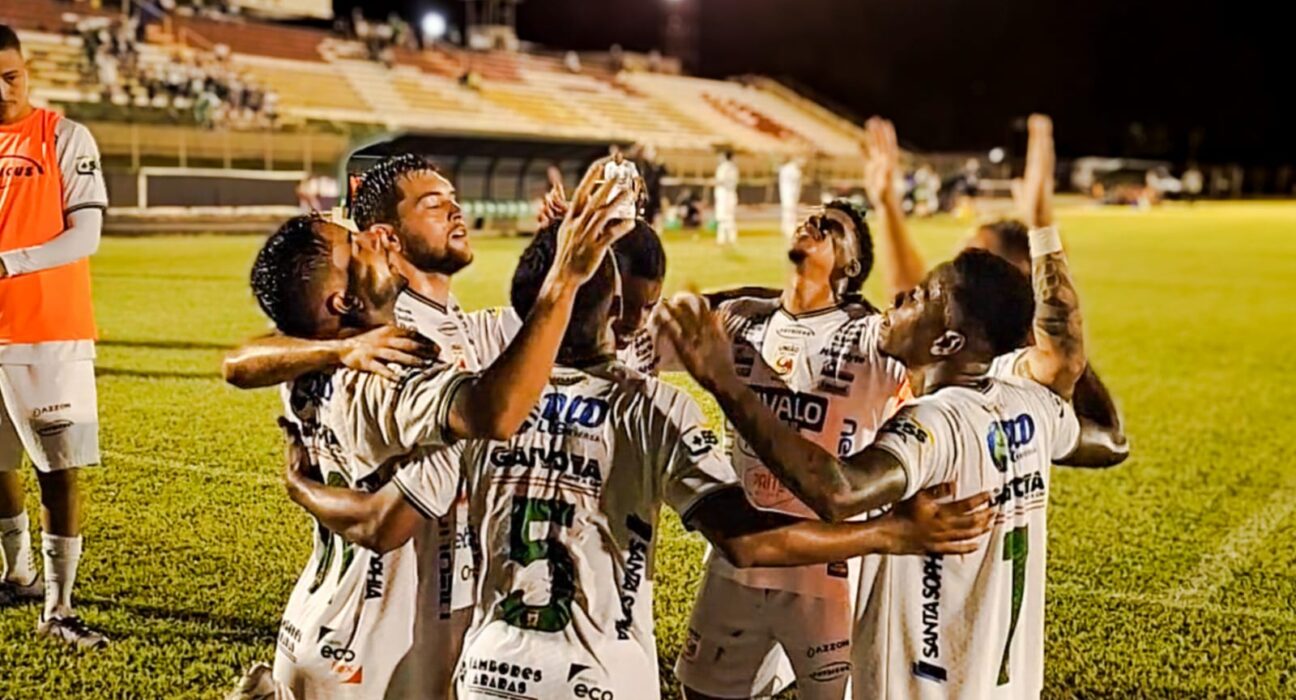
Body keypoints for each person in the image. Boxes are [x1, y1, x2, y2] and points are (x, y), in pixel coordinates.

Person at [280, 222, 996, 700]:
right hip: (602, 677)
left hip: (490, 671)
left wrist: (303, 477)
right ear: (608, 305)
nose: (634, 320)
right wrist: (891, 533)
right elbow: (750, 541)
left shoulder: (479, 399)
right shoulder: (652, 408)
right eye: (626, 303)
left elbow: (382, 519)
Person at [657, 116, 1127, 700]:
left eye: (921, 296)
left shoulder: (935, 424)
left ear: (947, 342)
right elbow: (1104, 427)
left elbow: (837, 491)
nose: (901, 297)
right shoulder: (1032, 407)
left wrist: (724, 382)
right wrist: (1041, 239)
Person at [226, 155, 628, 697]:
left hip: (334, 620)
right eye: (434, 204)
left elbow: (239, 362)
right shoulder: (394, 350)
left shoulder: (347, 340)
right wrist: (563, 277)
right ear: (388, 237)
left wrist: (562, 249)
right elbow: (489, 415)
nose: (455, 210)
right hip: (376, 653)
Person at [669, 199, 905, 700]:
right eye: (813, 215)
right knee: (702, 694)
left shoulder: (867, 337)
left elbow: (928, 355)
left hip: (829, 575)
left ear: (852, 267)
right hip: (742, 555)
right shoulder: (737, 319)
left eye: (832, 226)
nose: (814, 221)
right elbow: (638, 333)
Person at [863, 116, 1127, 455]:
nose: (954, 271)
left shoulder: (1012, 374)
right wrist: (887, 204)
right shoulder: (966, 348)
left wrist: (1041, 227)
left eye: (974, 260)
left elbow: (1099, 422)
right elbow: (916, 306)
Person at [0, 25, 110, 648]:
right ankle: (17, 573)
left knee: (58, 468)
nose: (2, 90)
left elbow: (84, 235)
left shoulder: (64, 137)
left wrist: (7, 263)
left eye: (10, 76)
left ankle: (60, 608)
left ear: (27, 70)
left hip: (47, 331)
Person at [603, 146, 641, 222]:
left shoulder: (630, 165)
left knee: (628, 221)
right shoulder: (608, 166)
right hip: (613, 198)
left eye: (617, 154)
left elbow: (637, 180)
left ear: (621, 154)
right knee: (613, 221)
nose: (615, 156)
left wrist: (636, 194)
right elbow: (607, 183)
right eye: (613, 154)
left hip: (626, 198)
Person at [714, 150, 739, 246]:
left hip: (723, 193)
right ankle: (732, 238)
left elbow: (720, 180)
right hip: (731, 193)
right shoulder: (734, 168)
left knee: (722, 217)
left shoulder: (723, 167)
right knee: (730, 216)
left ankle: (722, 239)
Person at [778, 156, 803, 240]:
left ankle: (786, 227)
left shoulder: (784, 169)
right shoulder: (794, 170)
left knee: (788, 210)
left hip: (787, 193)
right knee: (790, 211)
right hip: (790, 193)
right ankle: (789, 228)